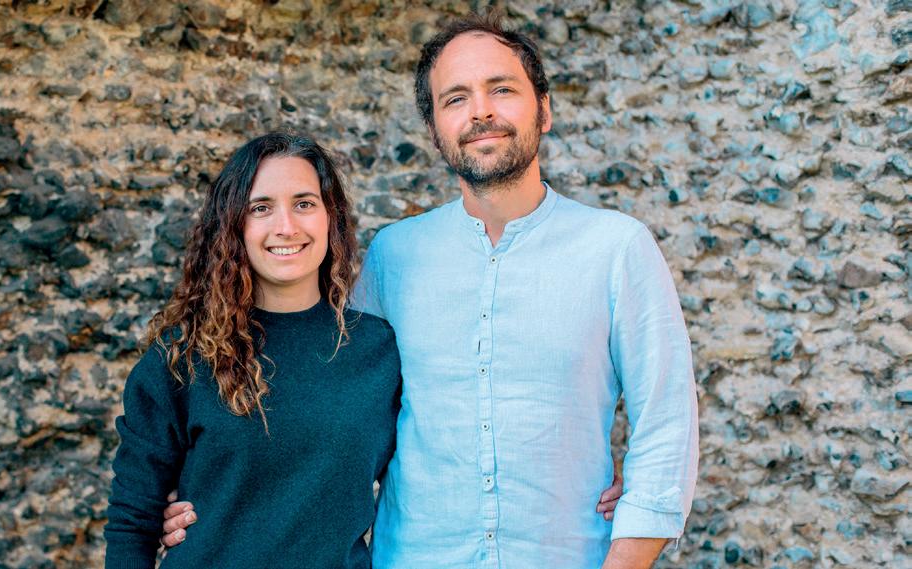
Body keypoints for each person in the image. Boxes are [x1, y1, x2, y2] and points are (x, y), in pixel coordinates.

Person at [161, 15, 686, 566]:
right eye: (456, 98)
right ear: (435, 130)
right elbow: (324, 404)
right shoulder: (395, 255)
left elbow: (665, 428)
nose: (480, 111)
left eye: (502, 89)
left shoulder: (617, 249)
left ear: (545, 109)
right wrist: (205, 495)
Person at [103, 133, 404, 569]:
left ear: (330, 217)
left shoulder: (380, 352)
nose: (286, 226)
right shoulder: (184, 357)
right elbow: (133, 522)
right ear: (234, 225)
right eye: (261, 208)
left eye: (304, 203)